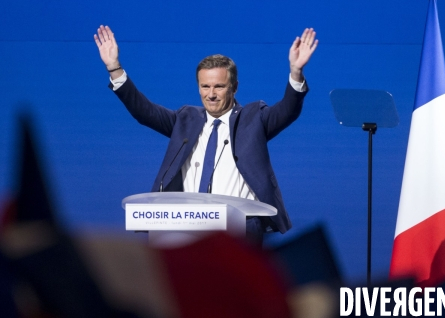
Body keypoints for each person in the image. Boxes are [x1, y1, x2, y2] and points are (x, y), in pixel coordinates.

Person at [94, 25, 318, 244]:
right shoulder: (185, 119)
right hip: (187, 227)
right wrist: (115, 68)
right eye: (205, 86)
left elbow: (288, 109)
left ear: (234, 87)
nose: (211, 94)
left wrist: (296, 72)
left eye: (219, 86)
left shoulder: (254, 118)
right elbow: (144, 111)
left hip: (240, 229)